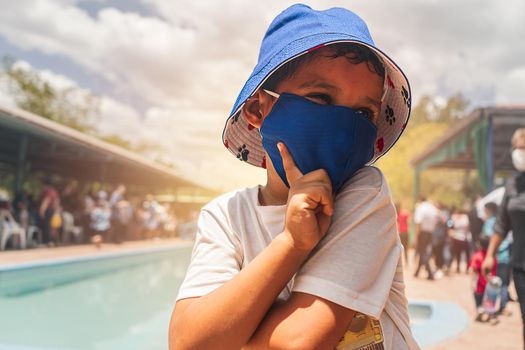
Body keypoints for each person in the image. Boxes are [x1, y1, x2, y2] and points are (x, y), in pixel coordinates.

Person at [169, 5, 419, 350]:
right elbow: (188, 341)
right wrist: (292, 242)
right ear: (258, 109)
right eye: (320, 97)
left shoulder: (364, 193)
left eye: (363, 112)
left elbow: (298, 342)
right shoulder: (225, 216)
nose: (345, 125)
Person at [483, 128, 525, 348]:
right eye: (518, 148)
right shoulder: (512, 185)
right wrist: (490, 255)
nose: (521, 153)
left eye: (524, 148)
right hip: (520, 266)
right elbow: (501, 225)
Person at [482, 202, 512, 316]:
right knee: (503, 283)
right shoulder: (506, 223)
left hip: (493, 258)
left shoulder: (489, 223)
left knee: (491, 283)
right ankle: (503, 306)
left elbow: (488, 239)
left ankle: (490, 308)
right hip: (505, 256)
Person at [470, 236, 498, 323]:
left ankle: (480, 310)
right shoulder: (492, 257)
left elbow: (473, 269)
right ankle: (491, 316)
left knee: (478, 297)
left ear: (479, 244)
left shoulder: (477, 256)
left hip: (480, 283)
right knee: (491, 299)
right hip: (491, 282)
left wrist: (472, 282)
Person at [413, 197, 439, 280]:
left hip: (422, 232)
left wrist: (416, 236)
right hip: (430, 233)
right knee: (423, 252)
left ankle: (430, 272)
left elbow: (418, 223)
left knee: (422, 252)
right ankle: (417, 272)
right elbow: (437, 219)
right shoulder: (432, 208)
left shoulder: (420, 208)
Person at [450, 207, 472, 273]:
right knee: (458, 254)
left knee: (464, 254)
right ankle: (459, 267)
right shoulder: (454, 217)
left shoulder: (465, 218)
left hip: (463, 238)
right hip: (458, 237)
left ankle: (466, 268)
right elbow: (450, 226)